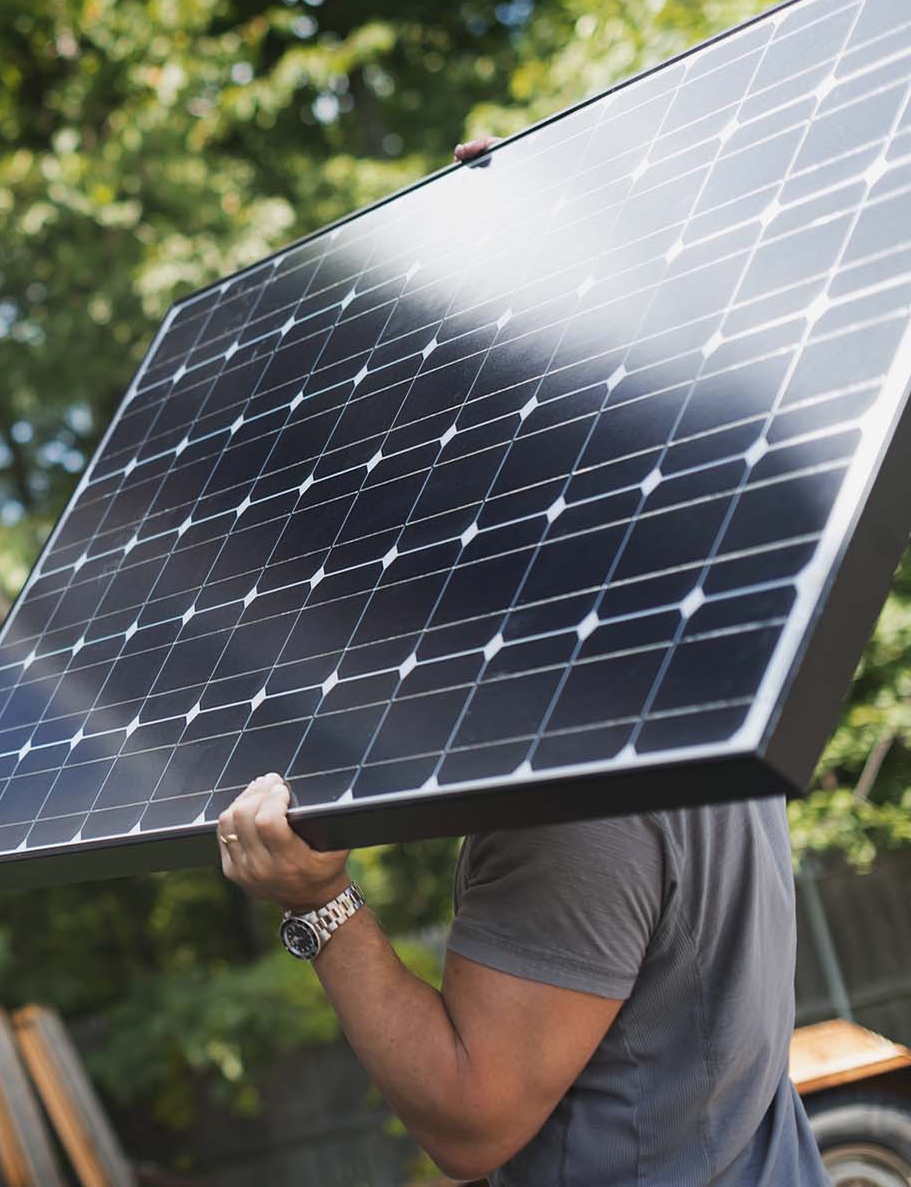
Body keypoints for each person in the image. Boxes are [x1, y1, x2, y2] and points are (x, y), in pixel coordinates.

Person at [211, 138, 831, 1186]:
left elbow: (471, 1113)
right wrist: (520, 219)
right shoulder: (697, 680)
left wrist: (318, 905)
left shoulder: (570, 788)